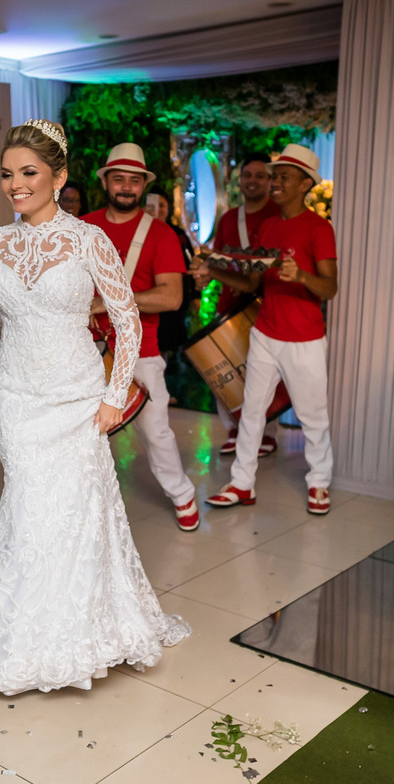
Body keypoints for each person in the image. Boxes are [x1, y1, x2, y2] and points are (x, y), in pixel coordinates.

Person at [0, 120, 189, 696]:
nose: (15, 184)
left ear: (59, 177)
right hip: (14, 397)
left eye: (28, 173)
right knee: (30, 507)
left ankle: (77, 632)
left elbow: (126, 319)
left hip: (77, 397)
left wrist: (111, 396)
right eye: (7, 174)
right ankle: (22, 630)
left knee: (75, 511)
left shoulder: (88, 240)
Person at [197, 144, 337, 515]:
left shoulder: (319, 228)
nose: (274, 182)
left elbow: (330, 288)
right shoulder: (270, 226)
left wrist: (302, 275)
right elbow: (253, 285)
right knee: (252, 411)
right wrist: (213, 270)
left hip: (304, 340)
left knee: (313, 417)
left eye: (282, 177)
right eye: (273, 176)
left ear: (305, 183)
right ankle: (242, 483)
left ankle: (319, 483)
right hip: (265, 333)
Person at [82, 144, 200, 532]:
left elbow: (172, 296)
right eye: (119, 178)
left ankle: (182, 495)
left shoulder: (161, 234)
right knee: (81, 432)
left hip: (140, 352)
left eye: (135, 180)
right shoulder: (82, 227)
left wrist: (109, 302)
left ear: (143, 185)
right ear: (105, 181)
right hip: (83, 350)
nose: (127, 187)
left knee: (156, 430)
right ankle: (83, 504)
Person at [207, 155, 281, 457]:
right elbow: (217, 260)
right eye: (248, 175)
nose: (252, 181)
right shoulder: (228, 220)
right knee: (225, 369)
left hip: (269, 308)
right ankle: (233, 430)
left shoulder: (278, 216)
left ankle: (267, 432)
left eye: (260, 176)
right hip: (231, 305)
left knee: (265, 374)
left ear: (270, 180)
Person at [144, 186, 195, 359]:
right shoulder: (137, 233)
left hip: (171, 304)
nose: (157, 210)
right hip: (144, 300)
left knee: (165, 346)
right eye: (152, 205)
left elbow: (191, 266)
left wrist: (195, 296)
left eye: (162, 205)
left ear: (168, 208)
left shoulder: (178, 234)